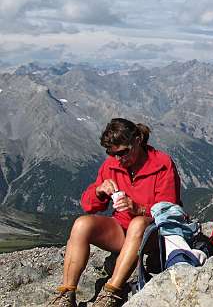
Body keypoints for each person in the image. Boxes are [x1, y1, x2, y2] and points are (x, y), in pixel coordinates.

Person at [47, 118, 181, 307]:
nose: (118, 159)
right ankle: (66, 293)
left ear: (137, 140)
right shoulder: (112, 165)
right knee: (81, 225)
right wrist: (99, 191)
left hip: (155, 235)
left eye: (123, 152)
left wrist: (138, 209)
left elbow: (169, 210)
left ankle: (111, 292)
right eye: (112, 153)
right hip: (122, 231)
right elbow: (88, 205)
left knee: (138, 223)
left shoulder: (162, 163)